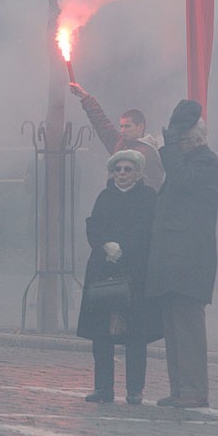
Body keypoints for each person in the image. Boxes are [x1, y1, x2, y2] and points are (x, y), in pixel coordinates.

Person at [146, 100, 218, 409]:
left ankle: (194, 391)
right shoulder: (186, 161)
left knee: (188, 329)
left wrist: (170, 148)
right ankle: (180, 389)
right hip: (173, 260)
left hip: (190, 260)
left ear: (195, 138)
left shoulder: (206, 162)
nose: (177, 144)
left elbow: (181, 181)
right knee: (174, 330)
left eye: (181, 138)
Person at [76, 150, 158, 405]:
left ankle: (135, 390)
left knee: (135, 335)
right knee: (102, 334)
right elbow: (94, 225)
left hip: (135, 273)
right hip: (104, 271)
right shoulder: (104, 196)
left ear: (138, 172)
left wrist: (125, 249)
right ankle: (103, 388)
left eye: (127, 169)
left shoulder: (148, 197)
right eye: (118, 169)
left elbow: (148, 230)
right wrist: (104, 244)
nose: (122, 174)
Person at [69, 83, 164, 190]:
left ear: (140, 126)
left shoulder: (148, 154)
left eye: (127, 126)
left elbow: (154, 186)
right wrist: (85, 98)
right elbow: (101, 123)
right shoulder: (120, 143)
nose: (122, 130)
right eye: (121, 126)